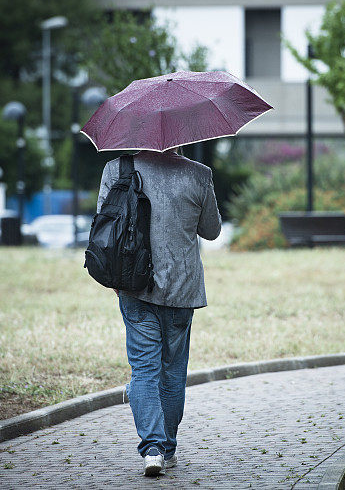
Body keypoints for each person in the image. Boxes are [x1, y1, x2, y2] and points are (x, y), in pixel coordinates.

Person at [96, 147, 222, 476]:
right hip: (182, 288)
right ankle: (167, 448)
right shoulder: (198, 174)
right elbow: (212, 230)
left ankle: (151, 449)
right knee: (173, 373)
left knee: (143, 371)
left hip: (134, 284)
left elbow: (103, 223)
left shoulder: (116, 169)